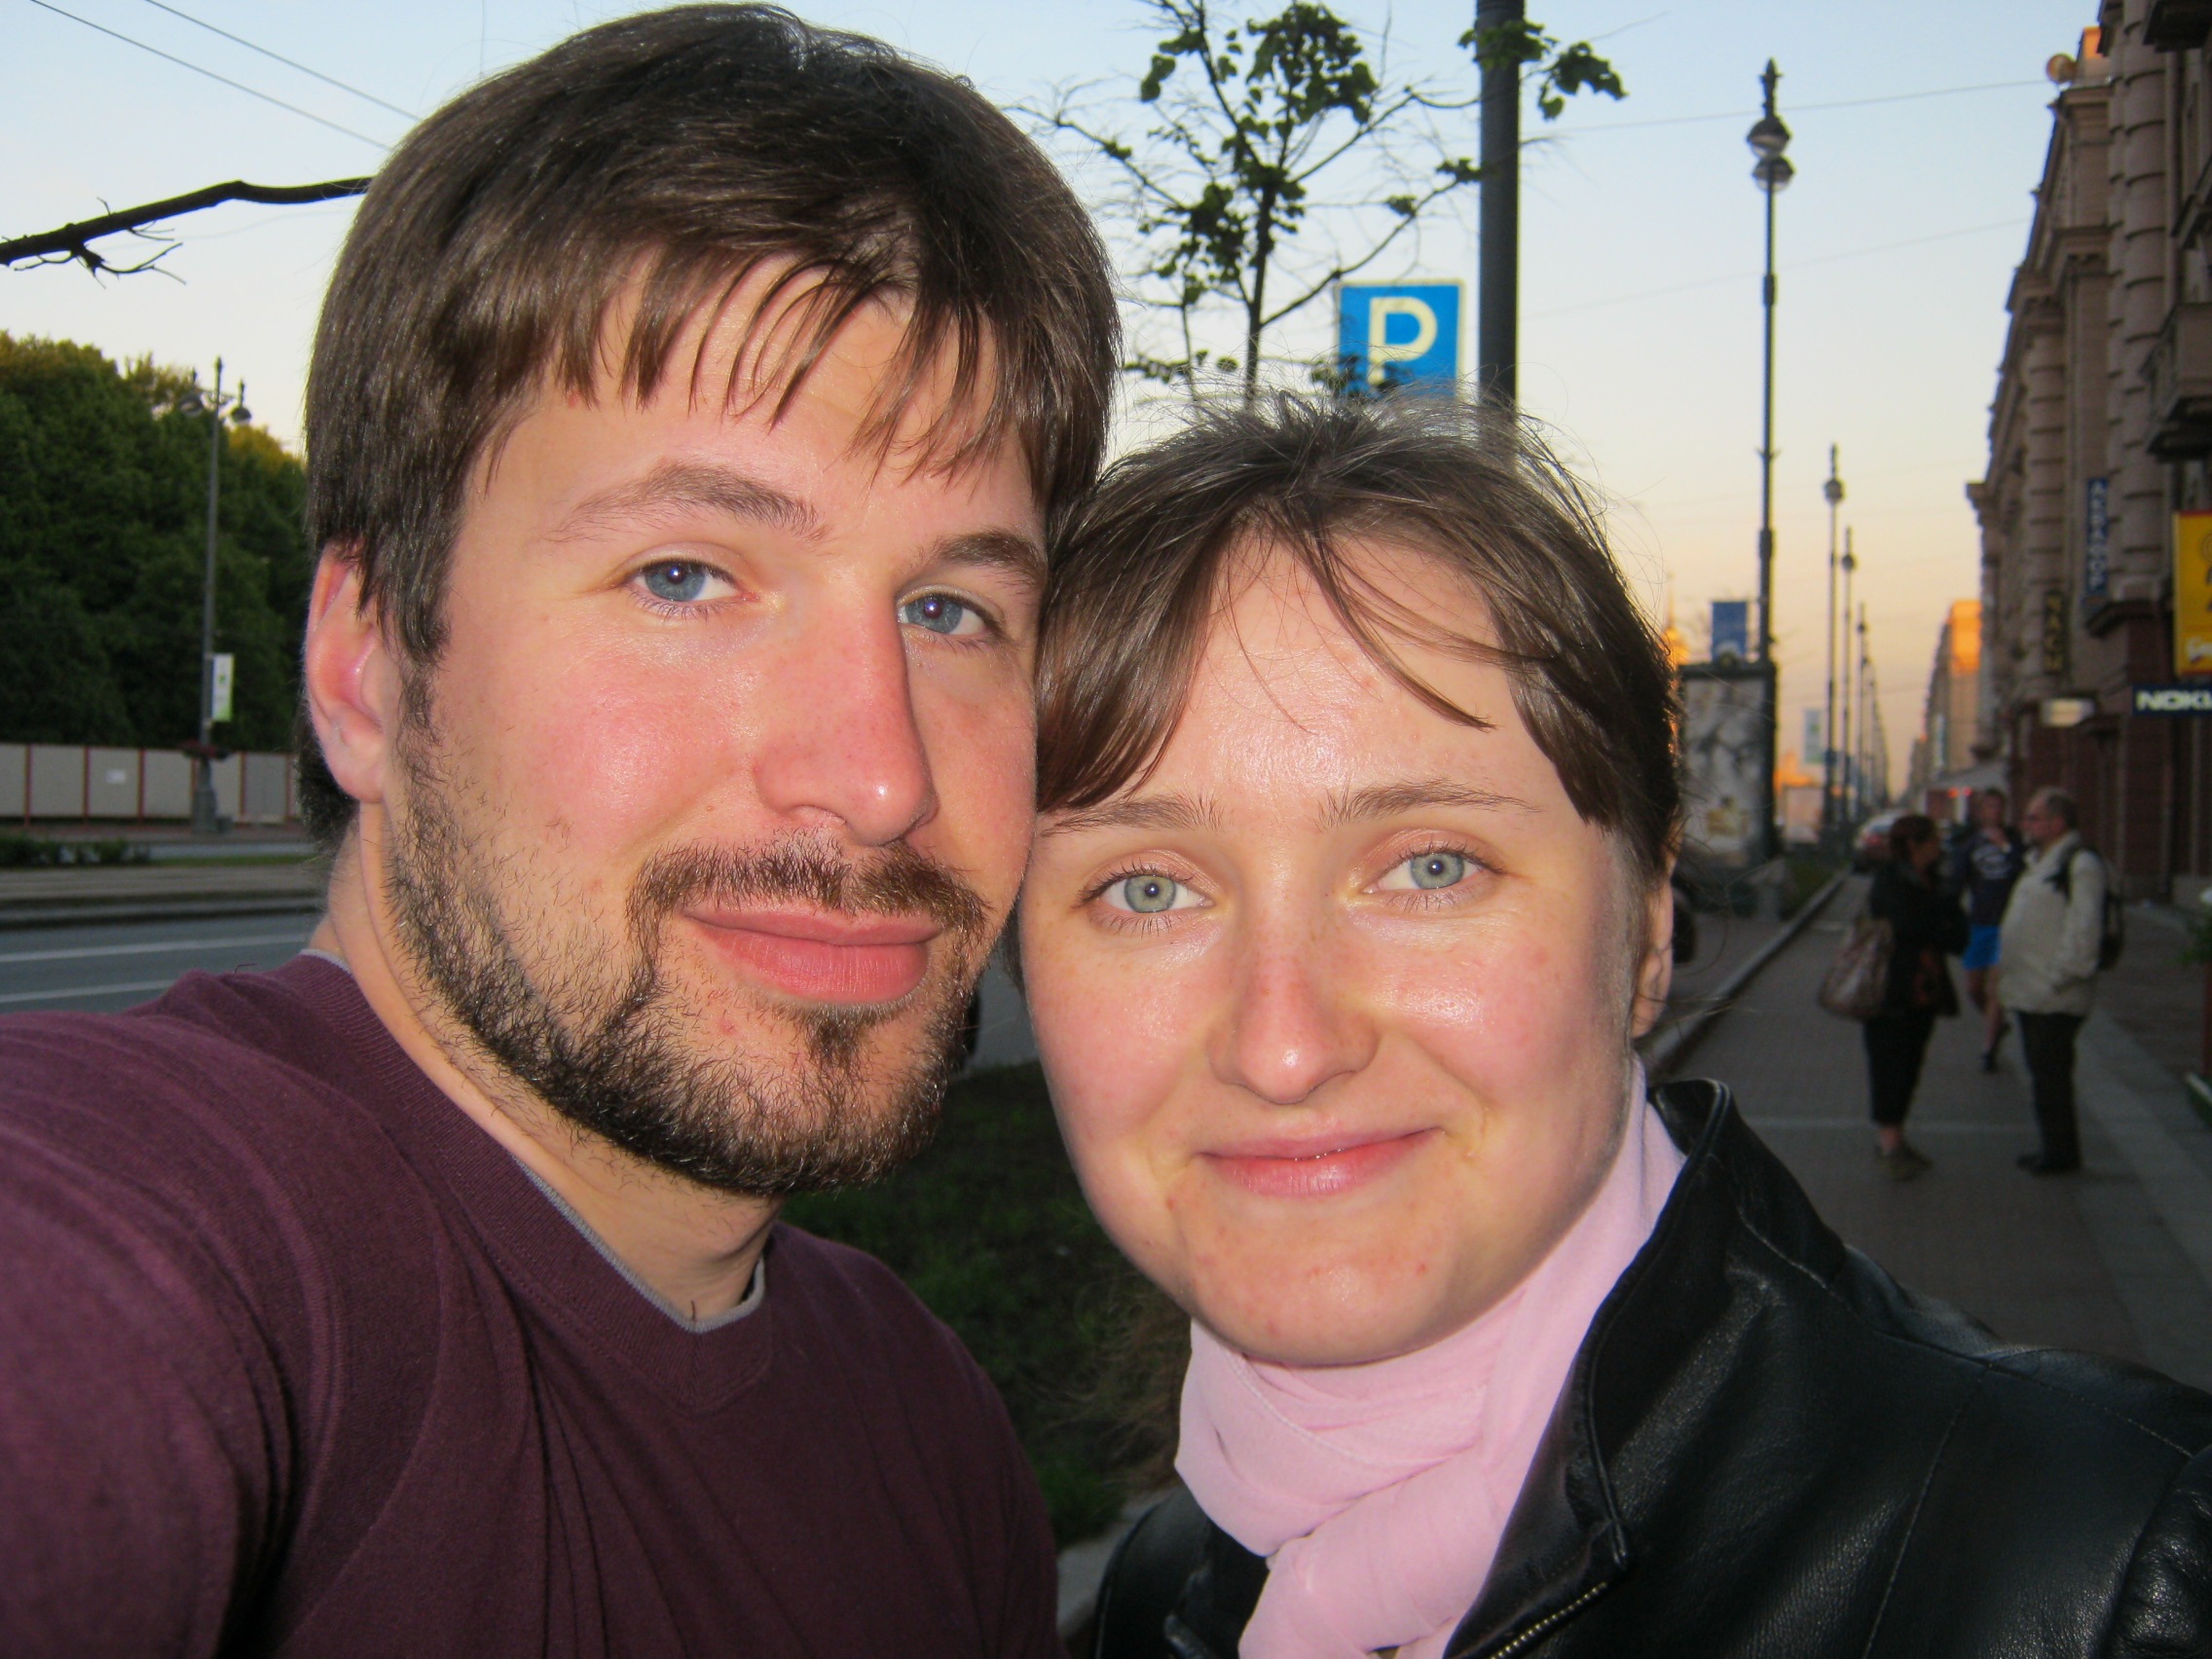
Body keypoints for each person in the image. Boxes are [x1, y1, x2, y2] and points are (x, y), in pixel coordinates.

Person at [0, 9, 1116, 1655]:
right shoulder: (185, 1232)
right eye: (686, 575)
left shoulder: (931, 1433)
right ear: (368, 662)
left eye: (951, 608)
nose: (881, 778)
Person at [1016, 395, 2212, 1659]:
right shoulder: (1163, 1596)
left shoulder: (2110, 1576)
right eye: (1146, 890)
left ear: (1646, 934)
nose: (1284, 1047)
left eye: (1430, 867)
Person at [2000, 785, 2110, 1175]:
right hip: (2032, 990)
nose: (2026, 824)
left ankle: (2061, 1154)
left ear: (2057, 822)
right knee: (2042, 1075)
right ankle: (2053, 1146)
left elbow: (2084, 929)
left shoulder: (2080, 863)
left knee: (2052, 1076)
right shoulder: (2041, 861)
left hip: (2055, 993)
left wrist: (2058, 976)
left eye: (2034, 818)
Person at [1860, 813, 1968, 1180]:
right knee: (1889, 1067)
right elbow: (1905, 925)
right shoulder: (1890, 879)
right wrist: (1938, 917)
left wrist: (1940, 918)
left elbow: (1956, 933)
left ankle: (1897, 1138)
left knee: (1910, 1067)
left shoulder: (1934, 881)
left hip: (1925, 993)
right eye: (1932, 840)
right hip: (1889, 992)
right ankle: (1889, 1143)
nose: (1938, 847)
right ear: (1913, 845)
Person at [1950, 786, 2026, 1069]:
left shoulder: (2015, 841)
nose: (1996, 811)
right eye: (1990, 806)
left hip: (2007, 925)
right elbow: (1956, 883)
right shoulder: (1970, 844)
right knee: (1974, 989)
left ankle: (1988, 1049)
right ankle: (1996, 1024)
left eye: (1999, 806)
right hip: (1980, 922)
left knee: (1996, 989)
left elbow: (2023, 871)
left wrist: (2005, 846)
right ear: (1981, 812)